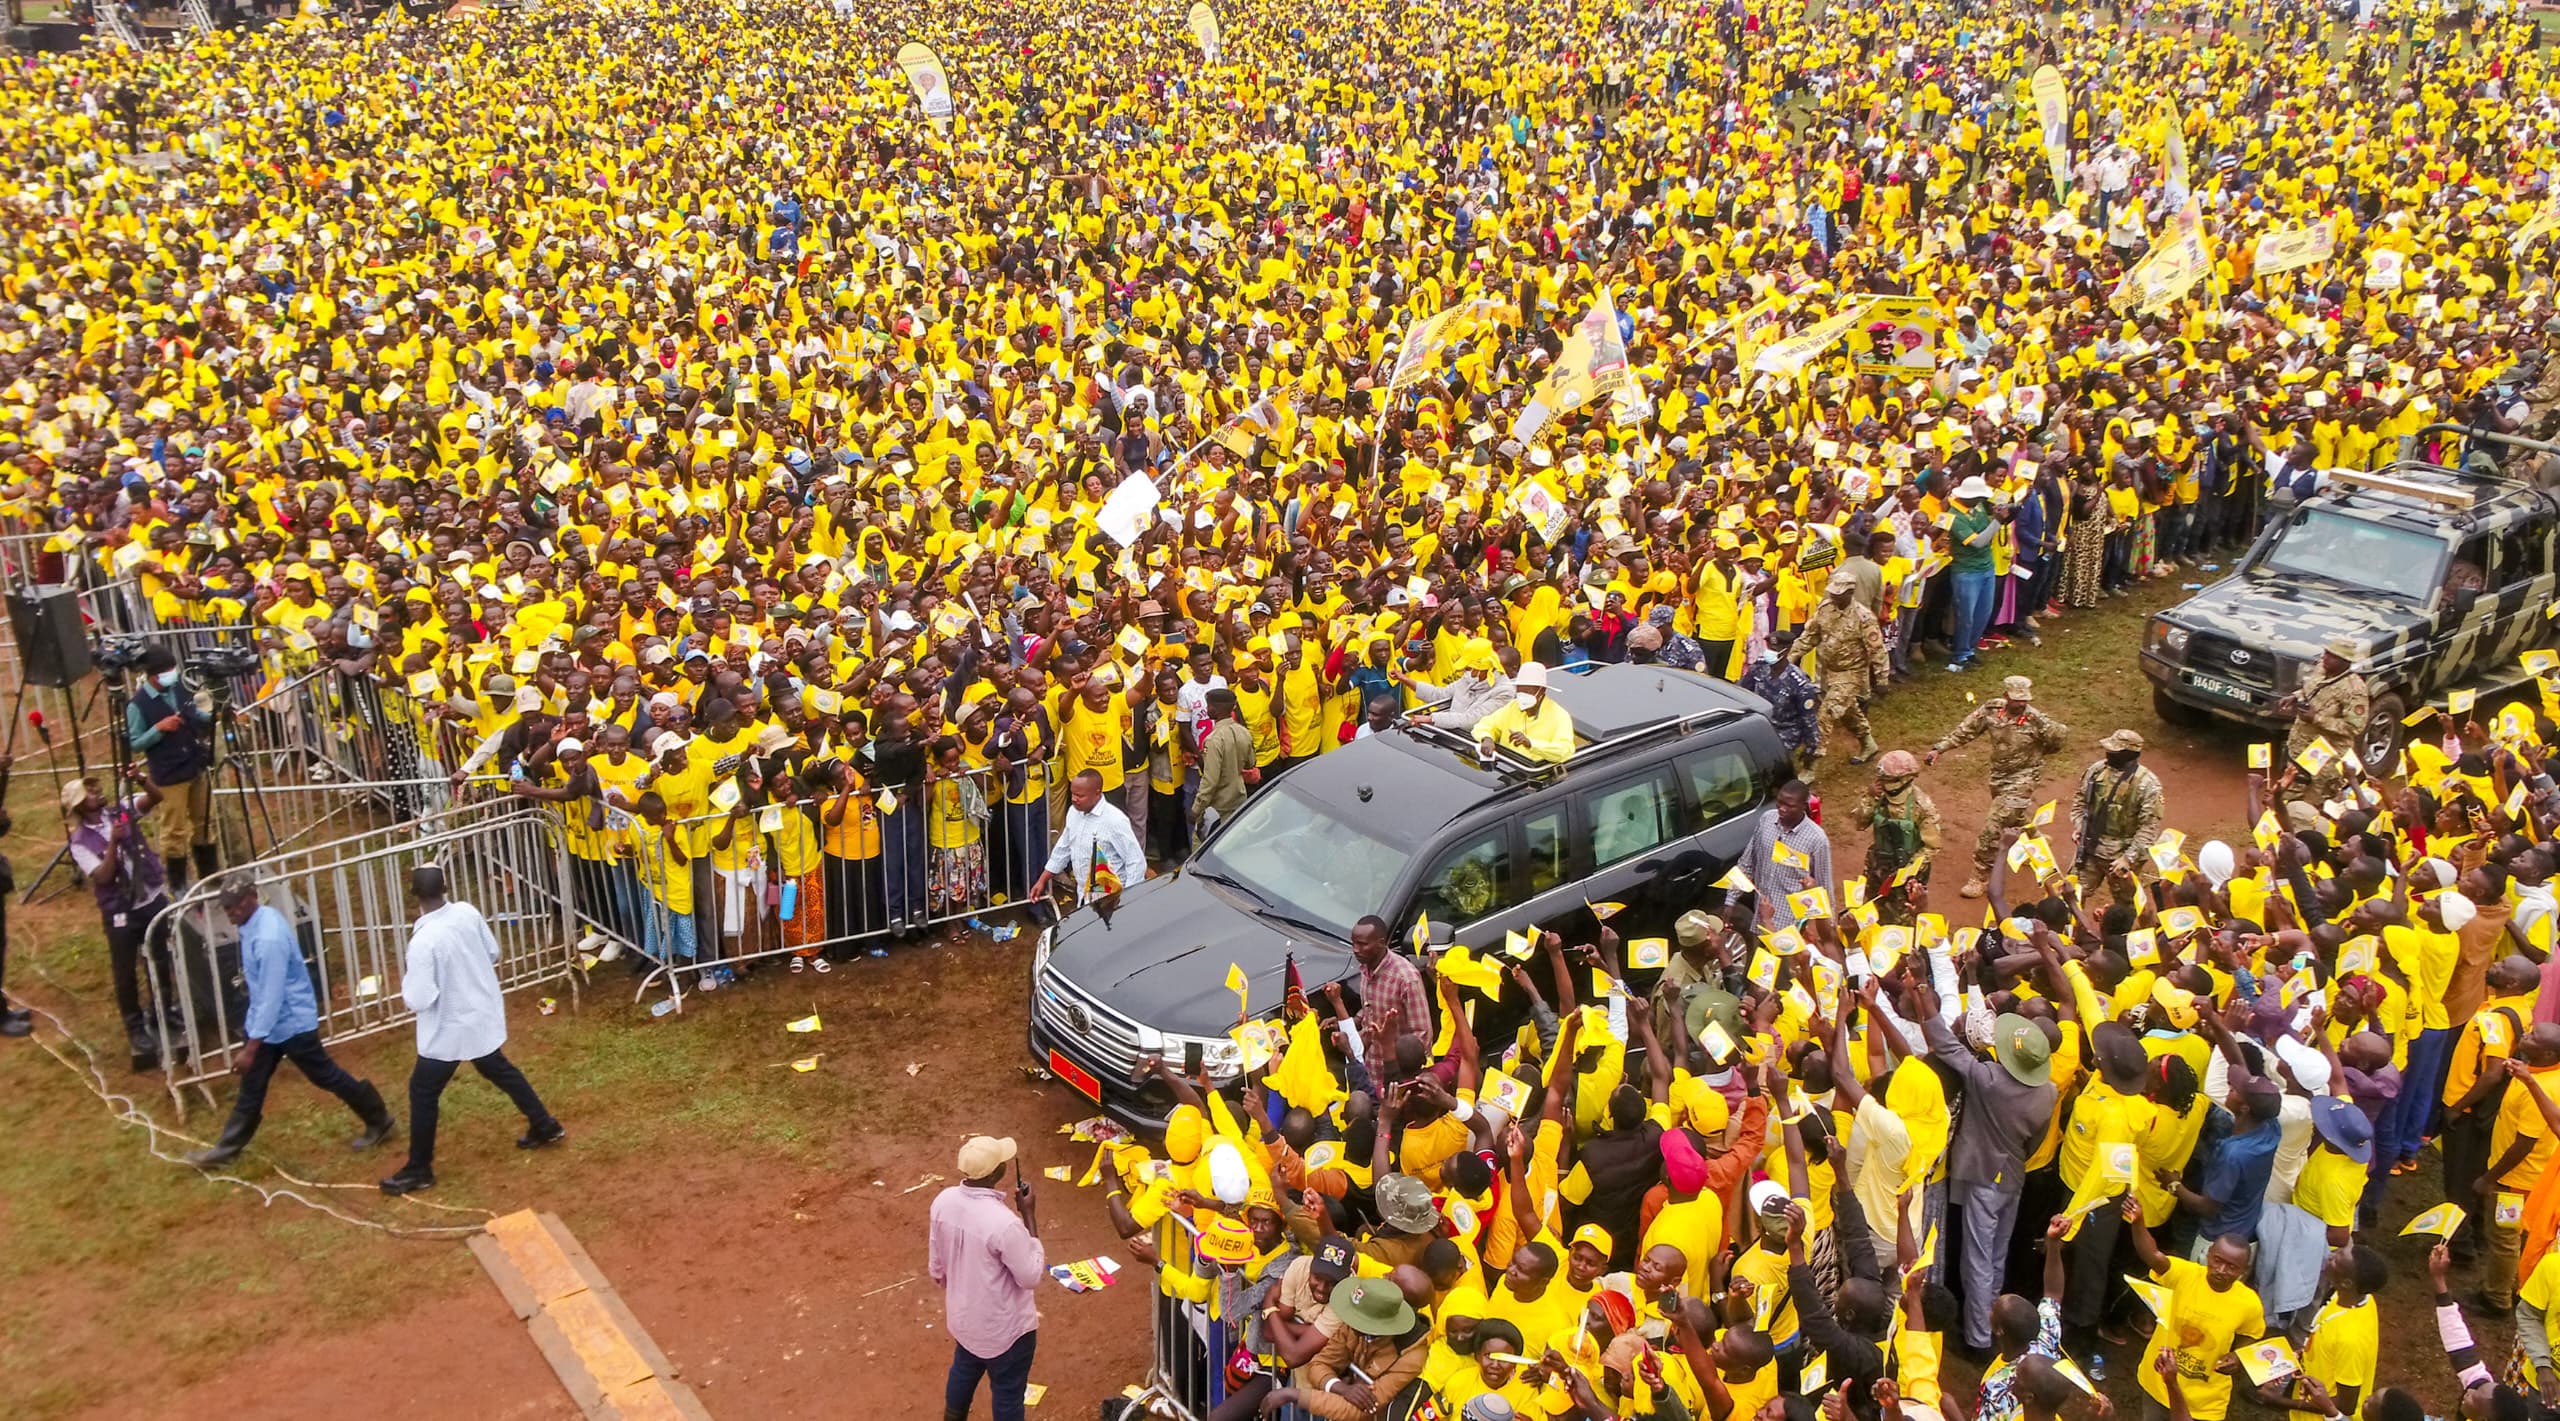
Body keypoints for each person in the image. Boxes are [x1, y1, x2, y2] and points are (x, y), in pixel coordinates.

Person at [182, 876, 396, 1167]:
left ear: (250, 899)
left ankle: (378, 1118)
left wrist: (250, 1047)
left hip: (292, 1024)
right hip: (269, 1024)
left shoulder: (268, 937)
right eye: (225, 907)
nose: (229, 913)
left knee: (325, 1075)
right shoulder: (252, 922)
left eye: (232, 907)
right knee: (252, 1085)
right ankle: (225, 1151)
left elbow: (272, 995)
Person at [380, 865, 565, 1195]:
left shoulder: (423, 941)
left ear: (416, 898)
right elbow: (493, 951)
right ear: (445, 889)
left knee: (423, 1093)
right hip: (479, 1015)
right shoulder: (466, 912)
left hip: (450, 1028)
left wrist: (407, 984)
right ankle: (544, 1124)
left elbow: (420, 997)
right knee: (499, 1069)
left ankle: (419, 1168)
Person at [928, 1134, 1043, 1421]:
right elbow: (1030, 1275)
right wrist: (1029, 1215)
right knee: (1007, 1394)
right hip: (1004, 1331)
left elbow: (936, 1268)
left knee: (963, 1369)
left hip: (964, 1320)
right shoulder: (1003, 1223)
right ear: (996, 1173)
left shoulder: (943, 1201)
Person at [1926, 675, 2068, 898]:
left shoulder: (2036, 720)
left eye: (2025, 700)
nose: (2022, 704)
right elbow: (1967, 730)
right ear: (2006, 696)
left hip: (2024, 779)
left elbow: (2059, 739)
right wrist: (1939, 749)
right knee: (2013, 815)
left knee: (1994, 825)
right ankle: (2035, 839)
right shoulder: (1992, 710)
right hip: (1999, 777)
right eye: (2016, 699)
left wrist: (2037, 756)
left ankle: (1980, 876)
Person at [65, 775, 172, 1069]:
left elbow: (155, 798)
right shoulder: (78, 843)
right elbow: (102, 876)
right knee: (125, 971)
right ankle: (135, 1028)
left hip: (150, 897)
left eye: (95, 789)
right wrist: (113, 841)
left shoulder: (120, 811)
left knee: (161, 959)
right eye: (88, 793)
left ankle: (163, 1010)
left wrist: (141, 779)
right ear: (79, 805)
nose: (96, 792)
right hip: (120, 909)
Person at [124, 646, 217, 891]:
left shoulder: (179, 687)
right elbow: (135, 743)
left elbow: (196, 712)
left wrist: (213, 713)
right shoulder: (138, 705)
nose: (172, 674)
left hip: (195, 764)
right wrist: (159, 729)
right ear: (153, 676)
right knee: (174, 830)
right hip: (169, 774)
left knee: (205, 821)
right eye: (167, 671)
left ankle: (211, 876)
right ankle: (178, 883)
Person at [2278, 639, 2369, 830]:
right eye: (2326, 652)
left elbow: (2355, 727)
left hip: (2324, 756)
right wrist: (2295, 697)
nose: (2324, 658)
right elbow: (2310, 689)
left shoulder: (2355, 689)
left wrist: (2317, 719)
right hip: (2299, 746)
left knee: (2309, 803)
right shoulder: (2321, 669)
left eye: (2331, 656)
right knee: (2290, 789)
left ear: (2345, 661)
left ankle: (2301, 839)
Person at [1030, 769, 1146, 909]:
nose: (1074, 799)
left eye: (1080, 795)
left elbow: (1136, 862)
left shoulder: (1115, 820)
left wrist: (1128, 900)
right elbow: (1063, 848)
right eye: (1072, 793)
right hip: (1085, 896)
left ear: (1097, 793)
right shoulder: (1073, 812)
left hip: (1111, 898)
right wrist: (1042, 880)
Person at [1805, 578, 1886, 766]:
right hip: (1830, 670)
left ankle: (1810, 765)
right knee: (1848, 710)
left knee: (1826, 714)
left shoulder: (1864, 617)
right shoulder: (1826, 608)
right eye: (1832, 593)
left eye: (1838, 594)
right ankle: (1868, 743)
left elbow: (1877, 650)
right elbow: (1810, 636)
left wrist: (1882, 679)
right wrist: (1790, 657)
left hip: (1852, 673)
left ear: (1850, 593)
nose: (1834, 597)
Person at [2072, 729, 2164, 890]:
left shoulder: (2147, 784)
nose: (2108, 753)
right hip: (2089, 848)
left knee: (2126, 904)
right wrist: (2081, 826)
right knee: (2073, 893)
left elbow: (2149, 829)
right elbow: (2080, 801)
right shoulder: (2096, 771)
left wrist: (2128, 859)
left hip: (2121, 854)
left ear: (2130, 754)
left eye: (2114, 751)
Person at [1854, 751, 1939, 922]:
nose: (1881, 784)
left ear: (1903, 779)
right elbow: (1860, 823)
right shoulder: (1878, 797)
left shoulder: (1921, 806)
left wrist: (1908, 872)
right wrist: (1869, 797)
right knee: (1871, 911)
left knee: (1903, 919)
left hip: (1906, 869)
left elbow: (1931, 846)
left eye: (1886, 780)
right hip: (1878, 864)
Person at [1743, 779, 1834, 930]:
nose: (1782, 809)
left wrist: (1827, 929)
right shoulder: (1767, 820)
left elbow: (1824, 886)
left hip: (1791, 926)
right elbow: (1747, 861)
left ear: (1803, 807)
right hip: (1762, 919)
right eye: (1780, 802)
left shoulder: (1817, 839)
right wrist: (1730, 901)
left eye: (1789, 806)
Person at [1472, 659, 1574, 765]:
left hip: (1536, 775)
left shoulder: (1559, 716)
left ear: (1541, 690)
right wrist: (1486, 738)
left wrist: (1530, 744)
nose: (1522, 694)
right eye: (1519, 690)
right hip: (1506, 768)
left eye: (1527, 690)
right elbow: (1485, 724)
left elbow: (1564, 751)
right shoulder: (1513, 706)